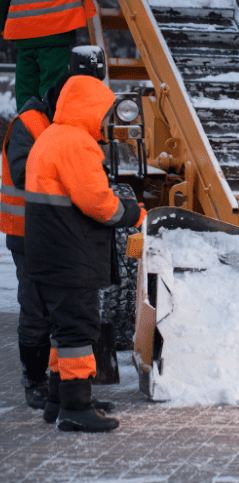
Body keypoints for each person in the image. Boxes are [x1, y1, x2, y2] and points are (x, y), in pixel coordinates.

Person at [25, 75, 145, 432]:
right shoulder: (77, 143)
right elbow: (98, 204)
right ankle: (76, 409)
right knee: (79, 330)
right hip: (69, 254)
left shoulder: (51, 136)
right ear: (90, 108)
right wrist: (132, 211)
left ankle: (58, 400)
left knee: (63, 329)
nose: (108, 119)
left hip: (50, 253)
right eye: (105, 111)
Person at [0, 47, 111, 415]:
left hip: (59, 233)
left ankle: (63, 392)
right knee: (37, 311)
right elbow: (23, 174)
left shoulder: (74, 129)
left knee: (63, 314)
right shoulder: (30, 124)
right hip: (26, 230)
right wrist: (67, 157)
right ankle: (33, 379)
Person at [0, 0, 97, 111]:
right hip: (58, 27)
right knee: (53, 89)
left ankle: (27, 126)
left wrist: (4, 27)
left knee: (26, 90)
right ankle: (52, 124)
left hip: (25, 29)